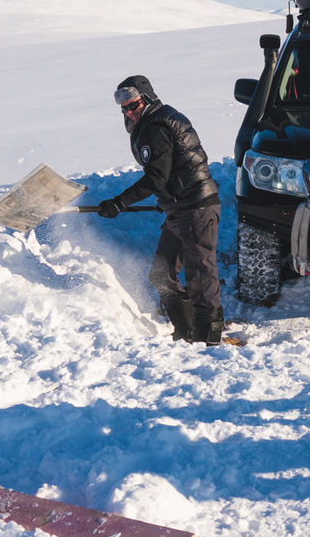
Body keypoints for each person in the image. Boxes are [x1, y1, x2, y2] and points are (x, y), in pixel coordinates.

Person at [96, 75, 225, 344]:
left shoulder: (156, 126)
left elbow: (157, 177)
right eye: (125, 108)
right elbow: (167, 174)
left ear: (148, 99)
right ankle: (186, 332)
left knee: (200, 274)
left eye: (134, 105)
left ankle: (208, 338)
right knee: (161, 274)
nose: (129, 112)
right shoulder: (153, 122)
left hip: (195, 207)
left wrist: (120, 202)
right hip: (179, 208)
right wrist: (167, 200)